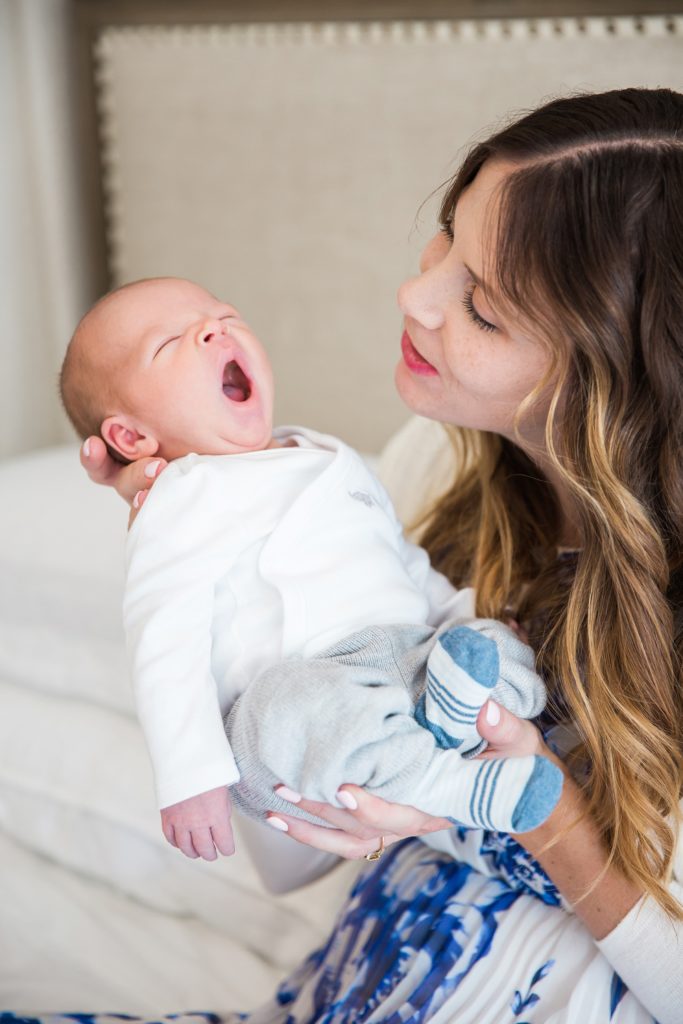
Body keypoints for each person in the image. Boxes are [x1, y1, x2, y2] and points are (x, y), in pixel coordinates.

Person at [23, 87, 683, 1022]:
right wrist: (200, 546)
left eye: (481, 308)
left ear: (611, 377)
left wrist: (529, 810)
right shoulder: (420, 467)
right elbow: (288, 844)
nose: (413, 296)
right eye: (446, 239)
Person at [58, 278, 561, 862]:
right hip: (306, 707)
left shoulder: (325, 453)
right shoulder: (178, 496)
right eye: (170, 342)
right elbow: (163, 637)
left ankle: (453, 721)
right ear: (131, 437)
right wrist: (189, 775)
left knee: (498, 642)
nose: (214, 328)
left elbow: (401, 562)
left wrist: (462, 617)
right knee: (283, 709)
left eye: (224, 313)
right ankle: (453, 782)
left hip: (407, 662)